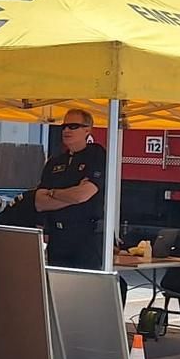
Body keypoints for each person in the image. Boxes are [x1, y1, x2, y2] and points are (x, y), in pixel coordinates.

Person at [35, 109, 107, 269]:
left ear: (87, 129)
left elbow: (83, 195)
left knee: (84, 288)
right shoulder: (55, 161)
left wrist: (54, 193)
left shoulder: (96, 154)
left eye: (73, 126)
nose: (66, 130)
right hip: (58, 237)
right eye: (64, 126)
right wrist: (71, 195)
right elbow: (40, 202)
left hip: (86, 237)